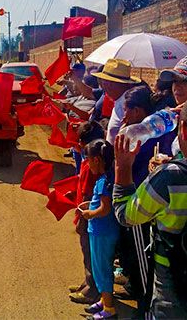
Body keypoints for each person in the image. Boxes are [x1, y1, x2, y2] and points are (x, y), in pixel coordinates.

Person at [113, 107, 187, 318]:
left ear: (183, 131)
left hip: (173, 286)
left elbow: (125, 215)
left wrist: (122, 167)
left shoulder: (169, 178)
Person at [81, 139, 119, 320]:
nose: (87, 164)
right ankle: (104, 301)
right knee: (100, 267)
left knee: (101, 268)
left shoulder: (105, 182)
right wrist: (92, 204)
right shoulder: (107, 178)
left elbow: (105, 209)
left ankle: (109, 309)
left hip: (101, 231)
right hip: (102, 230)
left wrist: (90, 212)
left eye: (88, 160)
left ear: (96, 160)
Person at [68, 121, 104, 305]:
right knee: (86, 251)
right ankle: (87, 282)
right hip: (85, 212)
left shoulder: (92, 164)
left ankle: (92, 289)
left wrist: (83, 214)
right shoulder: (89, 160)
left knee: (90, 252)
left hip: (88, 215)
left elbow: (91, 193)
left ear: (82, 142)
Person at [92, 59, 141, 144]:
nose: (103, 86)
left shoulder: (126, 105)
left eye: (105, 82)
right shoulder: (120, 100)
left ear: (110, 84)